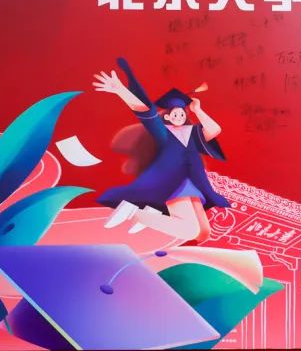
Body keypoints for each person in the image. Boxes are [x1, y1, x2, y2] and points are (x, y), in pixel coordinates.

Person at [94, 58, 229, 245]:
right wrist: (121, 90)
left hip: (193, 181)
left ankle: (151, 213)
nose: (179, 116)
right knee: (190, 230)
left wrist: (197, 110)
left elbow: (214, 129)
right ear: (167, 117)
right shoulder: (164, 132)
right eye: (175, 113)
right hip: (174, 181)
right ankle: (135, 212)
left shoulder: (192, 133)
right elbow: (145, 110)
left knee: (203, 233)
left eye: (182, 113)